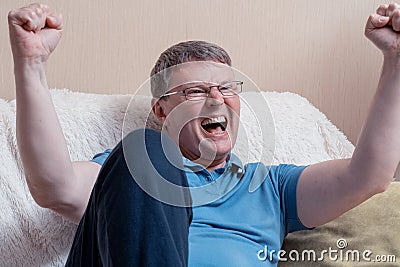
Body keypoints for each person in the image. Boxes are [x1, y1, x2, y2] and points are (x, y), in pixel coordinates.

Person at [7, 2, 400, 266]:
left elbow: (369, 176)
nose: (217, 99)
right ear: (160, 109)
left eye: (227, 88)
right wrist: (32, 64)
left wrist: (396, 60)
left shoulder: (269, 188)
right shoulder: (128, 175)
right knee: (144, 150)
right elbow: (54, 186)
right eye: (195, 91)